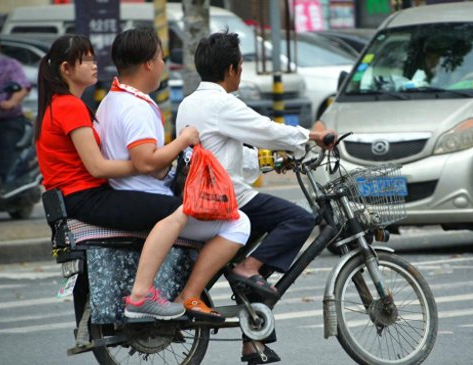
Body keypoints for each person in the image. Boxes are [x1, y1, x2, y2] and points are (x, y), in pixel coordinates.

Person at [34, 34, 249, 321]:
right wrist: (152, 160)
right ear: (66, 69)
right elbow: (98, 167)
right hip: (85, 196)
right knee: (179, 210)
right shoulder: (70, 107)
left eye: (94, 58)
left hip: (78, 196)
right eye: (86, 60)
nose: (94, 65)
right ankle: (141, 295)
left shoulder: (82, 103)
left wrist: (152, 163)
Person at [176, 30, 336, 364]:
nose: (242, 71)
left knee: (259, 264)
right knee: (298, 219)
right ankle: (248, 268)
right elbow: (265, 129)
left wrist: (274, 160)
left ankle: (253, 342)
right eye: (241, 66)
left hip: (207, 193)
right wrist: (311, 136)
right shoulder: (222, 103)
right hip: (225, 198)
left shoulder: (190, 102)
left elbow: (229, 151)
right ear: (232, 69)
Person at [0, 28, 31, 190]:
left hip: (7, 118)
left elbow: (22, 87)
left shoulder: (10, 66)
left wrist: (12, 101)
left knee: (6, 140)